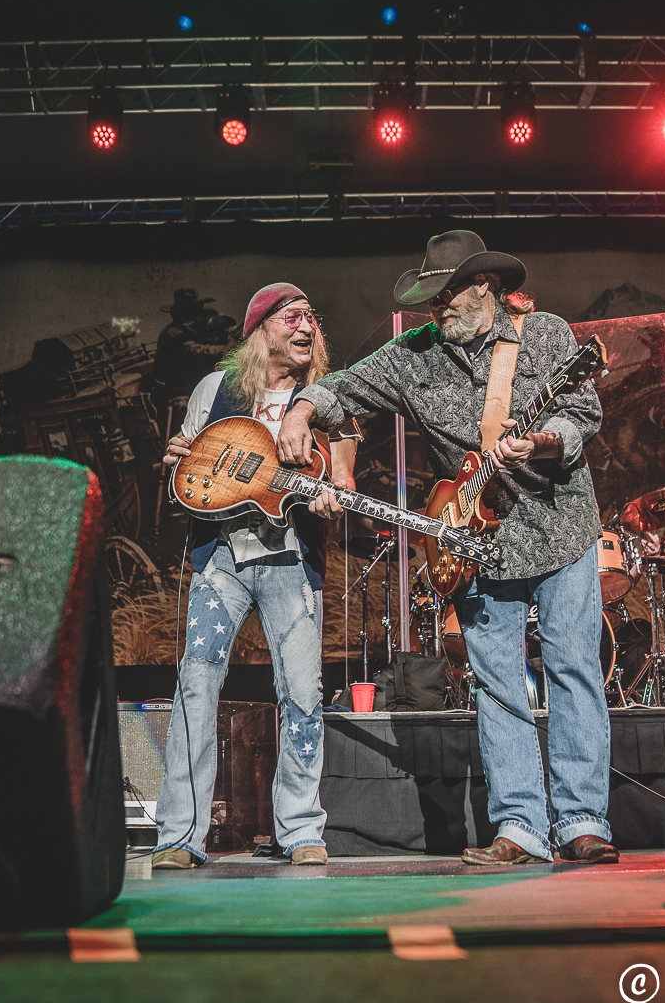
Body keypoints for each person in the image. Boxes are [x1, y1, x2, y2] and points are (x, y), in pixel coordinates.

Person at [278, 231, 618, 866]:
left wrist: (542, 442)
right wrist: (301, 411)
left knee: (574, 669)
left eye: (449, 295)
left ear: (485, 287)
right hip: (473, 539)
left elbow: (582, 415)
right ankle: (520, 826)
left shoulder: (545, 334)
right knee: (497, 685)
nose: (438, 308)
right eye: (430, 298)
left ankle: (582, 820)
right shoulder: (413, 355)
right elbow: (343, 387)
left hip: (561, 524)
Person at [150, 283, 353, 869]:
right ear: (260, 328)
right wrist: (176, 469)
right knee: (197, 686)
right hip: (221, 559)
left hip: (292, 560)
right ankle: (179, 836)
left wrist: (331, 495)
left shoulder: (329, 401)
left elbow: (343, 479)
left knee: (304, 694)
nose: (307, 327)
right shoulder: (214, 390)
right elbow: (188, 480)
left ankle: (299, 829)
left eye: (312, 318)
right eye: (293, 317)